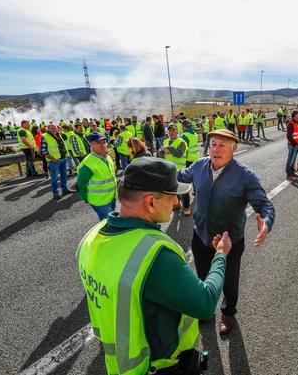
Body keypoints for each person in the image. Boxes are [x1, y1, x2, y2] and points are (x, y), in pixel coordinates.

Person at [77, 157, 231, 375]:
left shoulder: (92, 236)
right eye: (171, 197)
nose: (177, 203)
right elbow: (204, 304)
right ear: (150, 202)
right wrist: (221, 255)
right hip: (161, 366)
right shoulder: (154, 254)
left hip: (119, 364)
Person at [177, 129, 275, 336]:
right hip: (201, 237)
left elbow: (264, 205)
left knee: (229, 282)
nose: (216, 149)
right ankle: (205, 310)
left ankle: (228, 313)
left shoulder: (245, 176)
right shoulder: (199, 166)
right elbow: (179, 177)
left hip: (229, 242)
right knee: (203, 279)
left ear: (234, 148)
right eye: (213, 144)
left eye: (222, 145)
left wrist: (266, 223)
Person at [75, 132, 117, 220]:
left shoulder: (107, 157)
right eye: (98, 143)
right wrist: (87, 199)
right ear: (91, 144)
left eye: (104, 142)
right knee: (108, 225)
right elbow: (80, 185)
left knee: (112, 223)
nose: (103, 145)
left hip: (112, 198)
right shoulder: (88, 163)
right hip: (100, 202)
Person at [159, 124, 189, 215]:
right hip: (169, 170)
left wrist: (169, 149)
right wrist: (163, 151)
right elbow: (160, 154)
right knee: (173, 189)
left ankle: (187, 207)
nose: (171, 132)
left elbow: (179, 154)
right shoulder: (165, 141)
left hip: (180, 170)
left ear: (177, 131)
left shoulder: (181, 142)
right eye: (169, 131)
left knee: (183, 190)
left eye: (173, 130)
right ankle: (177, 204)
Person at [41, 123, 74, 200]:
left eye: (55, 128)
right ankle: (55, 193)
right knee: (55, 178)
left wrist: (66, 155)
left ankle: (65, 190)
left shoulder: (59, 134)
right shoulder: (45, 136)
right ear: (48, 129)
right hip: (54, 161)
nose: (54, 129)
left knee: (64, 175)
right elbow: (43, 151)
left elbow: (64, 143)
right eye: (51, 128)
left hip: (63, 159)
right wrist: (53, 159)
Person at [285, 110, 298, 180]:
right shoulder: (291, 123)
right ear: (295, 116)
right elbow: (289, 136)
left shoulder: (297, 123)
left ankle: (292, 172)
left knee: (293, 160)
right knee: (290, 160)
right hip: (292, 145)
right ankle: (288, 174)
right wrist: (294, 144)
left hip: (296, 145)